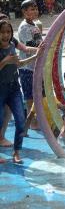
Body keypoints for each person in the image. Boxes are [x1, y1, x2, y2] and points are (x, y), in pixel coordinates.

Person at [0, 20, 38, 164]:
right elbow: (8, 62)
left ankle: (16, 152)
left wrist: (35, 56)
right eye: (2, 32)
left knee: (21, 121)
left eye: (8, 32)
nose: (5, 35)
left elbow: (18, 63)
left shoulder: (11, 46)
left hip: (14, 88)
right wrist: (5, 61)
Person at [18, 0, 42, 130]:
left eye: (36, 8)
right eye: (32, 9)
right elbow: (29, 45)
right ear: (24, 12)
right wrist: (42, 47)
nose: (35, 11)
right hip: (27, 67)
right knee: (29, 95)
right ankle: (32, 123)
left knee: (37, 93)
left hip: (35, 66)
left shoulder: (34, 25)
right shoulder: (24, 27)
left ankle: (37, 118)